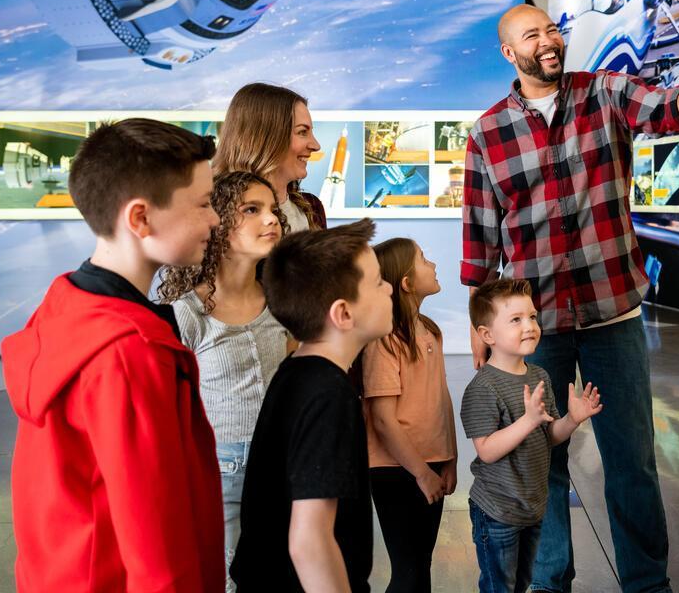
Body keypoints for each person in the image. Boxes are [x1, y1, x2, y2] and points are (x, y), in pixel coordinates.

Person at [461, 4, 679, 593]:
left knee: (631, 460)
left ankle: (646, 582)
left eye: (552, 30)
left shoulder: (605, 93)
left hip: (614, 313)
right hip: (537, 329)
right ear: (510, 53)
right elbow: (481, 242)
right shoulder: (487, 134)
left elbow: (667, 111)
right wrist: (480, 334)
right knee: (542, 461)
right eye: (532, 35)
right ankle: (550, 581)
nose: (549, 41)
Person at [0, 119, 224, 592]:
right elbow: (154, 539)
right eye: (203, 203)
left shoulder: (65, 307)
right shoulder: (127, 353)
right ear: (140, 218)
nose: (215, 219)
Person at [230, 220, 392, 593]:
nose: (388, 290)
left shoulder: (297, 372)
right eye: (378, 282)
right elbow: (309, 542)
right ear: (343, 314)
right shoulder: (328, 394)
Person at [159, 170, 292, 592]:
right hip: (222, 470)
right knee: (227, 576)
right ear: (217, 223)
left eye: (272, 210)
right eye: (251, 210)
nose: (270, 219)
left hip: (283, 462)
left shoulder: (282, 303)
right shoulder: (187, 313)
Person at [460, 279, 603, 593]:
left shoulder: (539, 375)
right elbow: (486, 450)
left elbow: (547, 435)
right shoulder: (483, 388)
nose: (529, 326)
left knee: (522, 582)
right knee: (500, 585)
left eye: (533, 317)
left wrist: (571, 419)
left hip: (532, 506)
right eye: (515, 320)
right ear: (487, 335)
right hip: (497, 511)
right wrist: (527, 421)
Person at [361, 238, 458, 593]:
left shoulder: (430, 330)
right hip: (395, 469)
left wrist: (450, 459)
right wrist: (421, 473)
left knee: (421, 565)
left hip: (431, 464)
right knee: (407, 569)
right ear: (406, 282)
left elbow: (440, 398)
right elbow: (382, 418)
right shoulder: (384, 339)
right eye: (423, 259)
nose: (433, 264)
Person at [214, 82, 326, 233]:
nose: (315, 145)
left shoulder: (312, 208)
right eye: (302, 132)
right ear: (266, 138)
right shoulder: (213, 214)